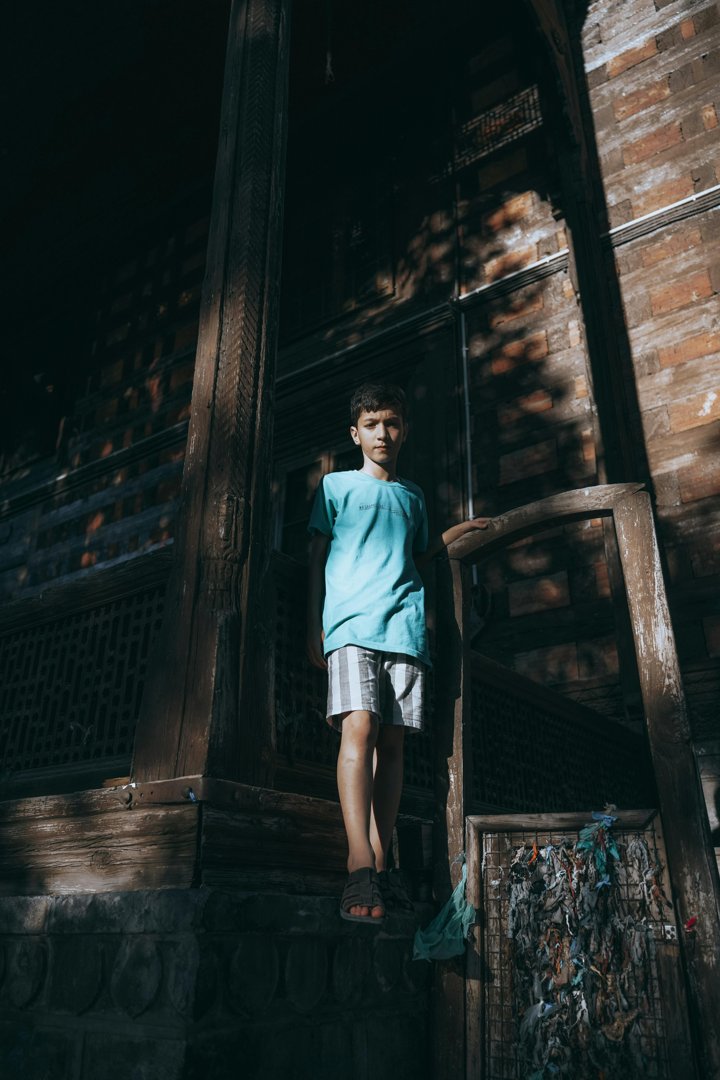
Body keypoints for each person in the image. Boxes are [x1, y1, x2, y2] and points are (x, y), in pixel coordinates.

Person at [306, 382, 489, 922]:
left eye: (391, 423)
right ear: (354, 433)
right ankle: (358, 861)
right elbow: (316, 555)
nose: (382, 433)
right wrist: (312, 626)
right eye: (371, 424)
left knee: (394, 741)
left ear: (402, 429)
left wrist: (456, 533)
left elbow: (418, 554)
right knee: (357, 726)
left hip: (404, 628)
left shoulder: (413, 497)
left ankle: (383, 858)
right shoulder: (334, 486)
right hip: (350, 624)